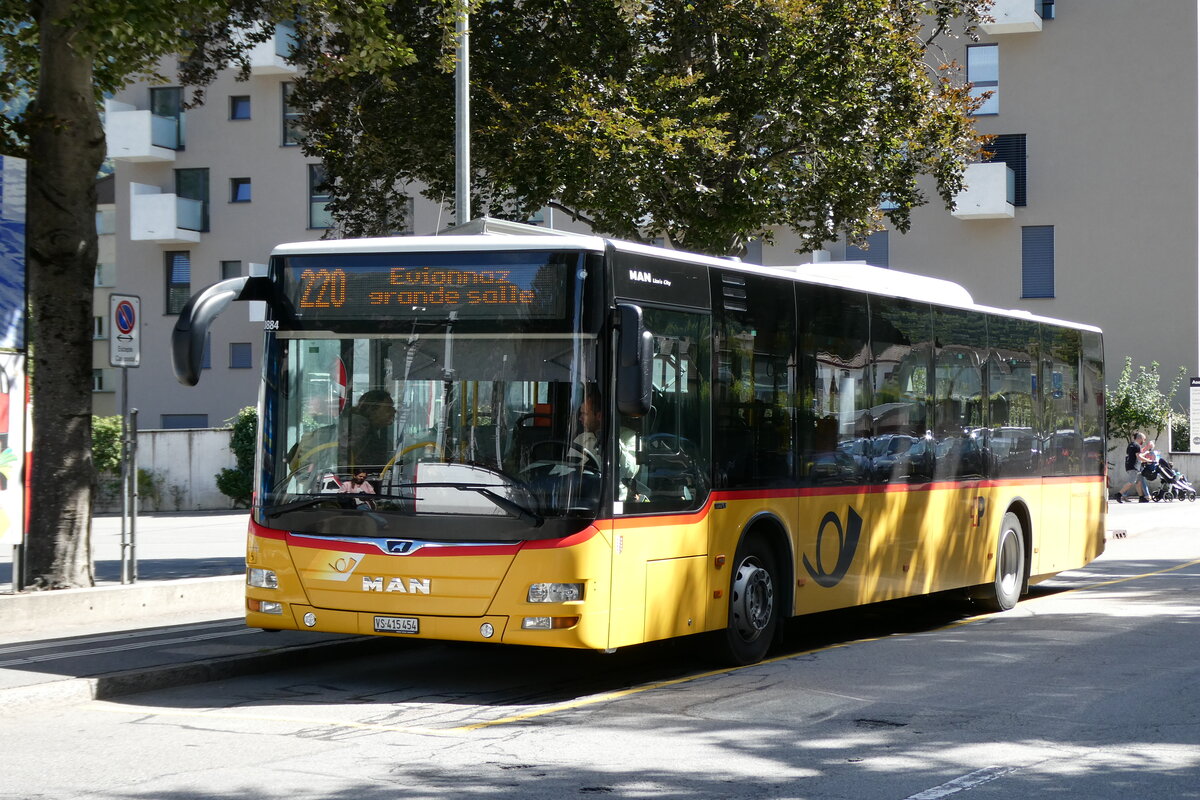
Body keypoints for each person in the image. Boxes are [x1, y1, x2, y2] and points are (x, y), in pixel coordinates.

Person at [572, 385, 640, 500]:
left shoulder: (629, 436)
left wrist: (612, 439)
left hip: (615, 501)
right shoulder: (581, 439)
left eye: (585, 414)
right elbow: (569, 470)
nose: (580, 418)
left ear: (599, 416)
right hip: (583, 497)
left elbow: (630, 472)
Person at [1115, 432, 1151, 503]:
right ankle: (1119, 494)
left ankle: (1141, 497)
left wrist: (1145, 454)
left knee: (1139, 482)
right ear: (1140, 438)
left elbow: (1136, 456)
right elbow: (1139, 457)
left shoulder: (1131, 444)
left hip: (1130, 465)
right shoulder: (1137, 446)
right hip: (1134, 466)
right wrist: (1149, 460)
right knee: (1132, 482)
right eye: (1143, 439)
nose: (1143, 441)